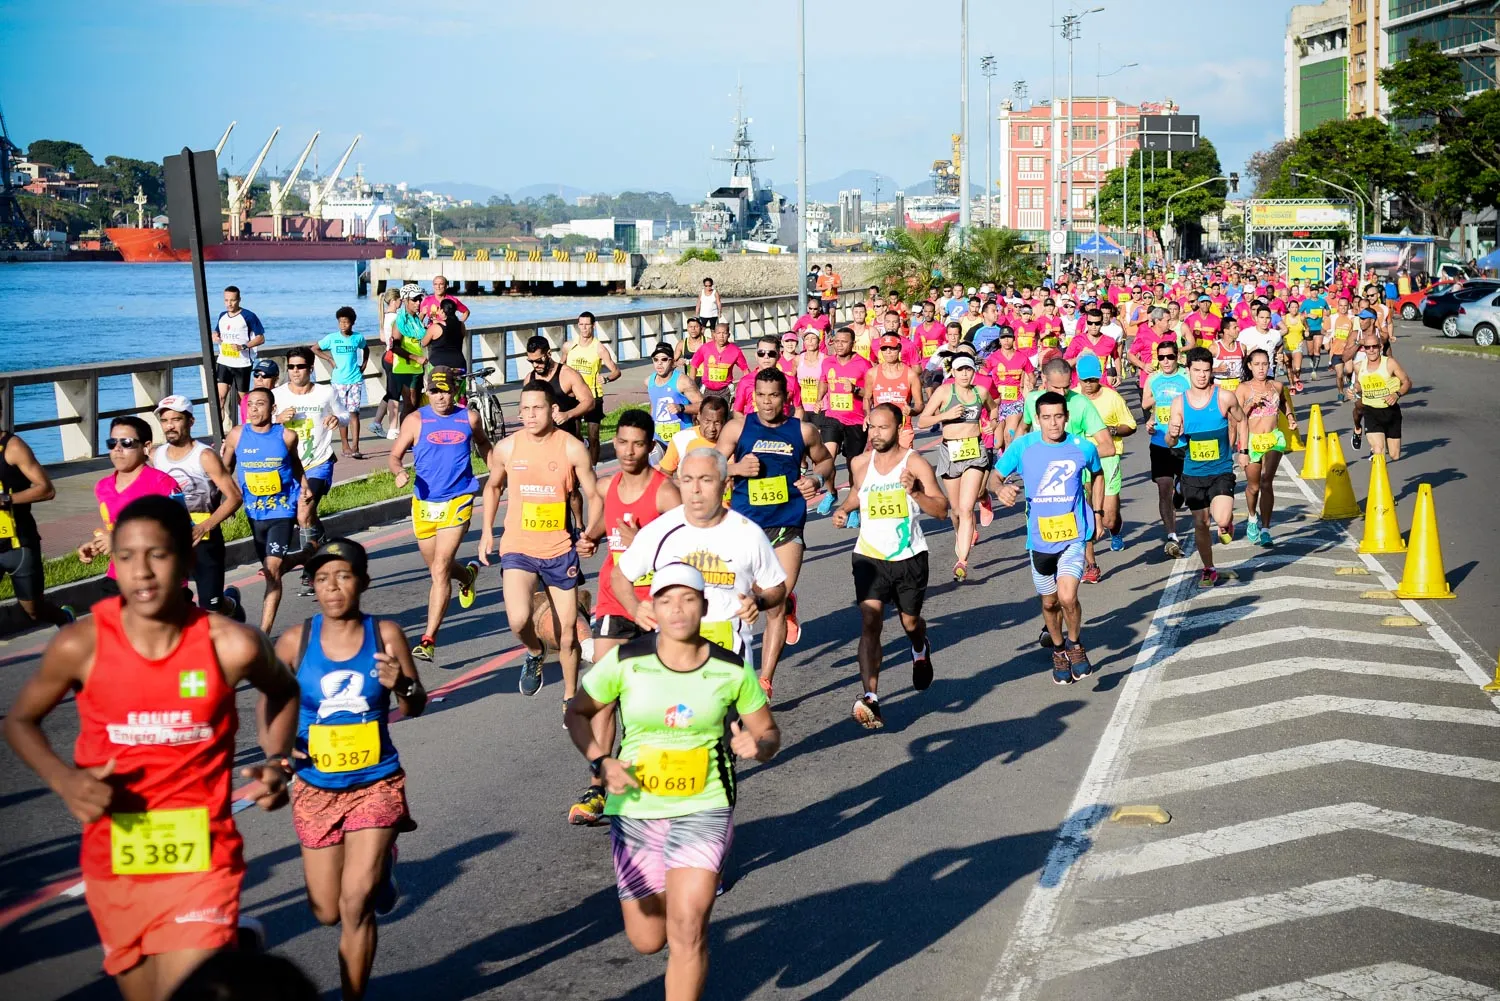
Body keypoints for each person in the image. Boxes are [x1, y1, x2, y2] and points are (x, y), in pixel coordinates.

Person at [5, 495, 299, 1001]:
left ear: (186, 559)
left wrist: (276, 760)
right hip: (115, 857)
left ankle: (222, 943)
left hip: (202, 855)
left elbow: (284, 690)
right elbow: (21, 721)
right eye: (126, 557)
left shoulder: (231, 645)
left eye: (157, 555)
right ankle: (235, 944)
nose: (141, 572)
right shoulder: (83, 644)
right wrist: (66, 780)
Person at [564, 561, 779, 1001]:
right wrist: (601, 761)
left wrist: (758, 746)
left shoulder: (730, 669)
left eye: (687, 599)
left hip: (706, 805)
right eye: (666, 600)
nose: (677, 609)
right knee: (647, 939)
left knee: (688, 928)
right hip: (636, 808)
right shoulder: (626, 661)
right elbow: (577, 712)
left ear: (703, 606)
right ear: (652, 609)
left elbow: (769, 732)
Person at [281, 538, 423, 1001]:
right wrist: (278, 754)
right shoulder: (294, 641)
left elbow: (415, 703)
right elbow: (270, 703)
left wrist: (401, 683)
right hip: (315, 787)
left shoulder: (385, 634)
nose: (333, 587)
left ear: (363, 582)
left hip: (375, 783)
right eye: (322, 579)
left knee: (354, 902)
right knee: (326, 910)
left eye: (343, 577)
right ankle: (385, 870)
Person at [572, 409, 680, 825]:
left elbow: (684, 551)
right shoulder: (608, 484)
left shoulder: (665, 493)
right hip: (614, 600)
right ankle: (600, 783)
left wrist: (644, 546)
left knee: (652, 700)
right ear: (613, 444)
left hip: (656, 607)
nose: (629, 451)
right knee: (604, 690)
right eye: (622, 442)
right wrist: (590, 539)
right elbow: (605, 523)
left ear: (651, 445)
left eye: (638, 443)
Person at [612, 449, 786, 676]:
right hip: (672, 653)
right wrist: (635, 609)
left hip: (729, 656)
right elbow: (619, 575)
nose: (695, 490)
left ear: (725, 486)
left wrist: (758, 601)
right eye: (687, 480)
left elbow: (776, 587)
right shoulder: (660, 530)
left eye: (705, 480)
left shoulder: (748, 534)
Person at [478, 381, 601, 700]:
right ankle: (534, 652)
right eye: (525, 408)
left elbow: (594, 495)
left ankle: (569, 697)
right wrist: (486, 532)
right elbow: (492, 488)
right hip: (518, 548)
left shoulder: (572, 448)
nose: (530, 415)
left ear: (552, 410)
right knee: (518, 619)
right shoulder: (507, 448)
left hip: (560, 550)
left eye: (537, 408)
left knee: (567, 635)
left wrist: (590, 532)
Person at [718, 368, 835, 695]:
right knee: (747, 599)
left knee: (775, 603)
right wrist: (735, 468)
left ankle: (764, 680)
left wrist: (815, 478)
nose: (767, 403)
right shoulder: (738, 428)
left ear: (786, 398)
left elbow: (825, 462)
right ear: (752, 396)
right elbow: (704, 465)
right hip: (744, 527)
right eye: (761, 395)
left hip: (786, 524)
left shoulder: (804, 431)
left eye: (774, 396)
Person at [832, 403, 947, 728]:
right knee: (870, 621)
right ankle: (872, 698)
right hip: (869, 556)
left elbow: (941, 509)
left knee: (910, 622)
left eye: (883, 428)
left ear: (899, 428)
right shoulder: (859, 463)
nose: (876, 434)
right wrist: (844, 509)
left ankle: (919, 646)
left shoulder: (915, 463)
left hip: (909, 556)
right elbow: (858, 493)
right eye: (872, 427)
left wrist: (915, 493)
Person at [995, 393, 1104, 684]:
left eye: (1058, 416)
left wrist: (1098, 511)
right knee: (1049, 604)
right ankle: (1058, 650)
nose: (1053, 423)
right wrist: (999, 489)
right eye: (1046, 417)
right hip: (1040, 541)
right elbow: (994, 476)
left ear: (1066, 416)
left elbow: (1098, 474)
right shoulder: (1023, 446)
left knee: (1068, 596)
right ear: (1038, 419)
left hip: (1074, 536)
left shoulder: (1083, 447)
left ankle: (1075, 645)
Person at [388, 369, 489, 662]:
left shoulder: (468, 418)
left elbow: (483, 442)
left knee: (440, 569)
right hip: (424, 504)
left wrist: (496, 469)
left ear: (455, 391)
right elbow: (395, 456)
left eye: (445, 391)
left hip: (458, 500)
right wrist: (398, 472)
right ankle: (468, 575)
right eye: (434, 391)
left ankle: (428, 639)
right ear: (427, 392)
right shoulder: (416, 420)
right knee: (436, 568)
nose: (440, 397)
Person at [225, 388, 314, 633]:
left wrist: (304, 487)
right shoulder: (237, 435)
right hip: (254, 513)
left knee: (272, 570)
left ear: (273, 409)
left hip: (281, 511)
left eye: (260, 404)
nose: (253, 409)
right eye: (250, 404)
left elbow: (295, 463)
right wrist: (226, 500)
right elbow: (224, 470)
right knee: (270, 565)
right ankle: (303, 555)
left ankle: (263, 633)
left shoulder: (286, 436)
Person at [152, 396, 244, 620]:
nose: (170, 426)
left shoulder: (204, 456)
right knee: (169, 603)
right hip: (171, 541)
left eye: (176, 419)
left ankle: (229, 604)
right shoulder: (156, 456)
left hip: (204, 538)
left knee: (211, 607)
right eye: (165, 421)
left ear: (191, 421)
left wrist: (204, 527)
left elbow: (234, 498)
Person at [1165, 347, 1247, 588]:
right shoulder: (1179, 403)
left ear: (1212, 371)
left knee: (1220, 518)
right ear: (1188, 371)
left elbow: (1242, 420)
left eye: (1206, 370)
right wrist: (1172, 434)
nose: (1201, 375)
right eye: (1196, 370)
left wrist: (1243, 451)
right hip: (1193, 474)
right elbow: (1171, 442)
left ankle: (1226, 523)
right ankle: (1208, 568)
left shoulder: (1224, 397)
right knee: (1201, 524)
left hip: (1220, 470)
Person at [916, 354, 996, 582]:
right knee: (956, 511)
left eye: (968, 370)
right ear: (953, 371)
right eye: (960, 370)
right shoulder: (944, 392)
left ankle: (962, 561)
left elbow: (994, 410)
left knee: (967, 508)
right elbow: (922, 421)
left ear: (973, 372)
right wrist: (945, 415)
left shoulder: (980, 392)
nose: (964, 374)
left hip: (975, 452)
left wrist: (991, 424)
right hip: (950, 452)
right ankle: (960, 536)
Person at [274, 346, 347, 589]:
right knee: (308, 518)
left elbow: (345, 415)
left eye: (300, 366)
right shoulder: (277, 395)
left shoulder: (325, 393)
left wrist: (337, 419)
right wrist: (277, 419)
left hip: (319, 461)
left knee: (303, 513)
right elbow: (257, 424)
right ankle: (322, 545)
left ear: (311, 368)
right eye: (291, 367)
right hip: (288, 466)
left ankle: (310, 567)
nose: (295, 371)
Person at [78, 417, 182, 587]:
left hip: (159, 580)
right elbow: (115, 528)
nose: (118, 449)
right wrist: (97, 545)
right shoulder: (103, 487)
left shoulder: (162, 483)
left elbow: (180, 532)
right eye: (112, 443)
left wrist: (120, 541)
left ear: (146, 447)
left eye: (126, 442)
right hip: (119, 576)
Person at [0, 405, 73, 628]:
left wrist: (7, 500)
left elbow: (46, 489)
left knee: (33, 611)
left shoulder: (13, 447)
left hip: (18, 544)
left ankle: (64, 618)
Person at [1074, 355, 1136, 579]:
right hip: (1080, 461)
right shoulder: (1072, 398)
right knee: (1085, 512)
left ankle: (1116, 530)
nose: (1088, 384)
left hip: (1108, 459)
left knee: (1108, 518)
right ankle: (1091, 565)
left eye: (1092, 379)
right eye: (1084, 380)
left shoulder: (1112, 398)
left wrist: (1111, 431)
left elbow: (1131, 425)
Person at [1235, 348, 1296, 547]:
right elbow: (1236, 417)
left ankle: (1266, 529)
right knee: (1253, 486)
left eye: (1264, 364)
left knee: (1266, 481)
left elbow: (1284, 403)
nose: (1261, 368)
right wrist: (1250, 404)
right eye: (1257, 364)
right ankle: (1252, 518)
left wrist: (1289, 417)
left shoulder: (1276, 386)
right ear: (1249, 366)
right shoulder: (1243, 389)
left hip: (1273, 439)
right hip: (1252, 440)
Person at [811, 326, 871, 517]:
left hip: (855, 420)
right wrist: (819, 399)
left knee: (853, 464)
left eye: (844, 341)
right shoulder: (828, 362)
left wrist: (854, 389)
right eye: (836, 341)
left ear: (853, 344)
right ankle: (831, 492)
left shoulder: (863, 364)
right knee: (827, 456)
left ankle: (853, 504)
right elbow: (823, 381)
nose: (839, 345)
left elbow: (871, 394)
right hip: (832, 417)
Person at [1140, 340, 1191, 558]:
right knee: (1163, 487)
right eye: (1161, 358)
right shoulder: (1153, 378)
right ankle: (1172, 535)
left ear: (1177, 356)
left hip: (1183, 442)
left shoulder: (1186, 377)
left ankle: (1181, 489)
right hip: (1160, 441)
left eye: (1170, 357)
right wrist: (1151, 421)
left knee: (1185, 488)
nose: (1166, 362)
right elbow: (1145, 404)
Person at [565, 311, 622, 465]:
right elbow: (560, 368)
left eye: (587, 325)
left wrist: (607, 378)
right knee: (574, 435)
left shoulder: (599, 348)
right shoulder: (569, 346)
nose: (584, 328)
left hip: (593, 396)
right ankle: (582, 449)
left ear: (593, 326)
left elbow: (616, 371)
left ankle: (593, 469)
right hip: (573, 396)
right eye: (581, 325)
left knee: (594, 435)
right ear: (577, 325)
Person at [1344, 332, 1412, 462]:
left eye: (1374, 347)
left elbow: (1407, 382)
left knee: (1394, 455)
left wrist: (1397, 394)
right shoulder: (1359, 366)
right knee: (1378, 451)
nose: (1371, 350)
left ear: (1380, 347)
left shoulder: (1390, 363)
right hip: (1371, 411)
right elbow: (1359, 384)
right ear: (1364, 349)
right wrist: (1353, 389)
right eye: (1367, 347)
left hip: (1391, 411)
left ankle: (1385, 439)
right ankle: (1377, 480)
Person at [313, 307, 370, 459]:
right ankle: (345, 446)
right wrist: (329, 359)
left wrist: (364, 363)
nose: (343, 325)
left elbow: (366, 349)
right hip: (338, 381)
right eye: (340, 322)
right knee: (341, 414)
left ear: (352, 323)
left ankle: (356, 446)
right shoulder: (332, 338)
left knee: (354, 413)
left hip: (355, 380)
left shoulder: (358, 337)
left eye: (346, 322)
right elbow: (315, 348)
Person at [524, 334, 596, 440]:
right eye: (531, 361)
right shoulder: (529, 378)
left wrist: (568, 414)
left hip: (568, 440)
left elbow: (589, 402)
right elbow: (525, 406)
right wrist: (523, 413)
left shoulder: (568, 375)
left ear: (549, 353)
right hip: (541, 441)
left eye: (539, 361)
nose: (535, 365)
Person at [213, 286, 265, 425]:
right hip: (224, 361)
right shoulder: (222, 316)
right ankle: (220, 435)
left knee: (242, 401)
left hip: (242, 363)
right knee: (220, 398)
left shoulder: (248, 316)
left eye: (233, 300)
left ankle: (248, 428)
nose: (229, 304)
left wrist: (243, 346)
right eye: (226, 300)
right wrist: (215, 335)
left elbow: (261, 338)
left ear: (239, 300)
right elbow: (217, 331)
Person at [645, 343, 702, 465]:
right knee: (655, 473)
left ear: (672, 362)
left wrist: (682, 408)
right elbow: (653, 406)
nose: (659, 363)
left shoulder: (683, 381)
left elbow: (703, 406)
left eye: (664, 359)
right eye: (656, 360)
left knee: (683, 477)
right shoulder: (649, 382)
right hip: (659, 439)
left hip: (682, 438)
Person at [984, 326, 1034, 447]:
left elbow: (1031, 375)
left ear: (1014, 339)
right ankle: (1003, 455)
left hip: (1015, 401)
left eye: (1009, 337)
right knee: (997, 442)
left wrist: (1030, 384)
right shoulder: (992, 358)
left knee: (1009, 435)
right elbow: (982, 376)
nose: (1006, 340)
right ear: (999, 340)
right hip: (997, 403)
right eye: (1003, 338)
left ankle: (1007, 465)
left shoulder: (1022, 357)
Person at [658, 395, 731, 478]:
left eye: (717, 423)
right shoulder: (681, 439)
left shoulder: (734, 441)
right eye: (707, 421)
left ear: (725, 421)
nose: (712, 428)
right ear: (699, 416)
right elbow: (665, 473)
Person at [388, 285, 428, 423]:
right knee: (409, 406)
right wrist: (416, 357)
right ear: (405, 300)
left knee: (416, 405)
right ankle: (405, 438)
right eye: (414, 300)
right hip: (405, 368)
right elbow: (394, 347)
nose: (418, 303)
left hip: (417, 368)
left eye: (420, 299)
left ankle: (412, 437)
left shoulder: (416, 320)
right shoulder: (400, 321)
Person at [369, 288, 403, 439]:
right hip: (395, 356)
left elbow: (383, 338)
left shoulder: (385, 317)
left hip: (387, 355)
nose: (402, 301)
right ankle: (393, 429)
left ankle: (376, 422)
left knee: (390, 391)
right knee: (394, 394)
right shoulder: (396, 317)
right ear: (394, 301)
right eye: (400, 299)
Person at [689, 321, 749, 404]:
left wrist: (743, 389)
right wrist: (692, 386)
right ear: (714, 335)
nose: (721, 336)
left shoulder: (736, 351)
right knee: (706, 414)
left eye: (724, 333)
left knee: (723, 415)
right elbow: (694, 365)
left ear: (729, 335)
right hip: (706, 390)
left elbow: (746, 371)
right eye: (718, 333)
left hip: (725, 390)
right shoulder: (705, 348)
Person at [421, 298, 468, 374]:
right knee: (457, 385)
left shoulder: (435, 327)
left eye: (439, 308)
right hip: (459, 365)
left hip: (439, 366)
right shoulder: (461, 325)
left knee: (437, 386)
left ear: (442, 311)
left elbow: (423, 343)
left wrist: (426, 329)